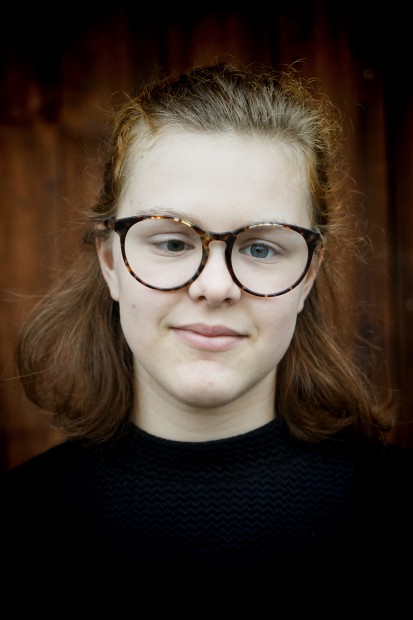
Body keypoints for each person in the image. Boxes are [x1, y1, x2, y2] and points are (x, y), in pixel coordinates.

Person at [1, 59, 412, 589]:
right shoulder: (20, 520)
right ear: (110, 263)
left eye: (261, 248)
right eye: (172, 242)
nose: (215, 287)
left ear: (309, 273)